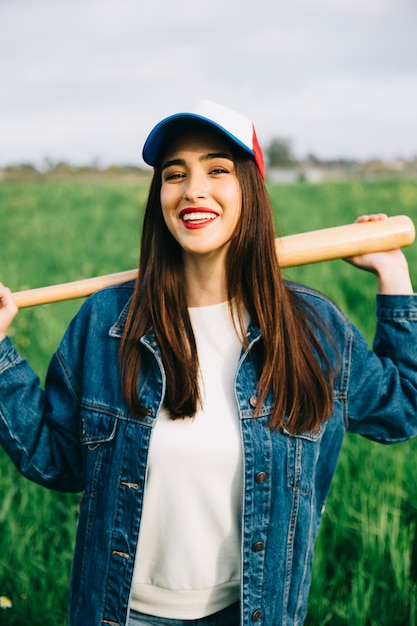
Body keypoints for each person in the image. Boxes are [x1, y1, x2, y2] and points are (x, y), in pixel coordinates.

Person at [0, 99, 416, 626]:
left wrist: (393, 278)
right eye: (175, 174)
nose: (193, 188)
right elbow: (57, 460)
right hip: (121, 613)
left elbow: (402, 410)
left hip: (252, 612)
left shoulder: (313, 328)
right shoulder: (107, 323)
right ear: (161, 199)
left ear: (251, 189)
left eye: (217, 169)